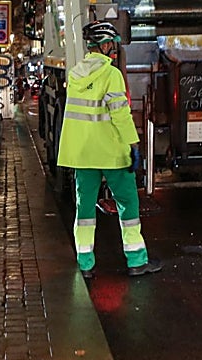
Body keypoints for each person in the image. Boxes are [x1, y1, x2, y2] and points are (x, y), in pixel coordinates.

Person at [57, 20, 159, 279]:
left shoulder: (75, 74)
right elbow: (120, 115)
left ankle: (85, 263)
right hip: (112, 153)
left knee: (85, 209)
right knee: (127, 205)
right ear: (103, 45)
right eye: (111, 44)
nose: (113, 49)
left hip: (82, 155)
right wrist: (134, 144)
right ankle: (136, 260)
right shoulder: (111, 74)